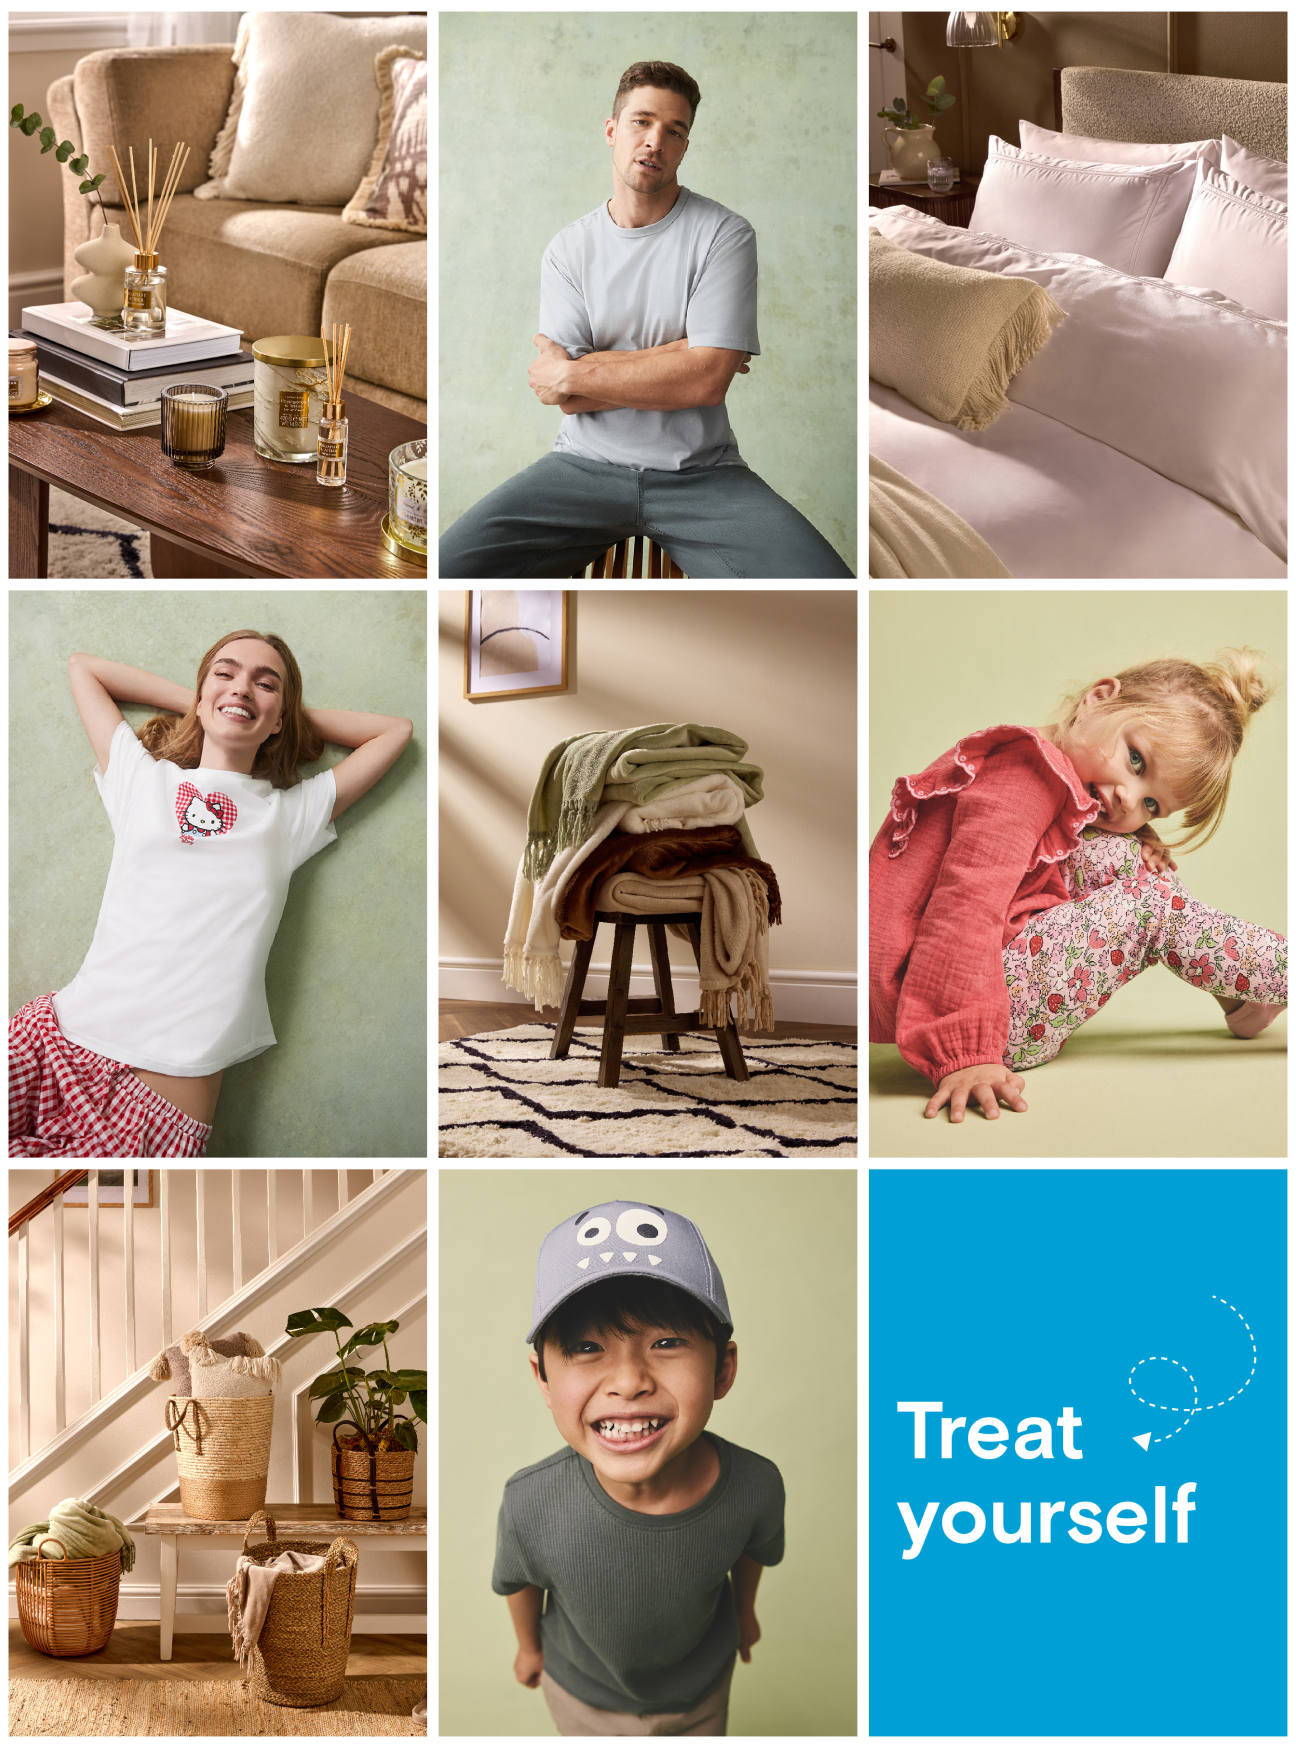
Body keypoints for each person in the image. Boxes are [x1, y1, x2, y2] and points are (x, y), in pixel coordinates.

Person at [440, 59, 854, 579]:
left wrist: (582, 370)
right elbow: (568, 398)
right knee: (449, 569)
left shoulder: (725, 235)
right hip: (580, 469)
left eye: (673, 130)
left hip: (703, 477)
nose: (655, 140)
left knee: (830, 589)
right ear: (612, 131)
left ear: (684, 146)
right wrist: (683, 352)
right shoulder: (568, 249)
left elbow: (706, 382)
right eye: (641, 121)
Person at [9, 630, 413, 1157]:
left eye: (265, 684)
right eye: (225, 673)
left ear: (282, 718)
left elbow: (395, 732)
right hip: (55, 1040)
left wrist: (264, 714)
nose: (242, 687)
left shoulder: (288, 816)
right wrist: (208, 704)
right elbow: (84, 667)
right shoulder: (144, 780)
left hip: (158, 1100)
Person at [870, 650, 1287, 1124]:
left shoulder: (1058, 774)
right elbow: (965, 907)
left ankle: (1241, 996)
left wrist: (1136, 838)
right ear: (1099, 698)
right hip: (978, 1013)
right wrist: (968, 1051)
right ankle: (1275, 974)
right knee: (1149, 907)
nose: (1129, 798)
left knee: (1129, 856)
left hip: (1004, 979)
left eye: (1152, 804)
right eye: (1135, 759)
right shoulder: (1024, 777)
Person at [493, 1200, 784, 1736]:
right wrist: (528, 1647)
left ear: (723, 1368)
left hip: (702, 1688)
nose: (629, 1381)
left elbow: (751, 1551)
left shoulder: (755, 1485)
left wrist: (744, 1614)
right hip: (580, 1691)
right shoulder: (529, 1500)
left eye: (667, 1342)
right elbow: (519, 1580)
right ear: (543, 1379)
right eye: (586, 1347)